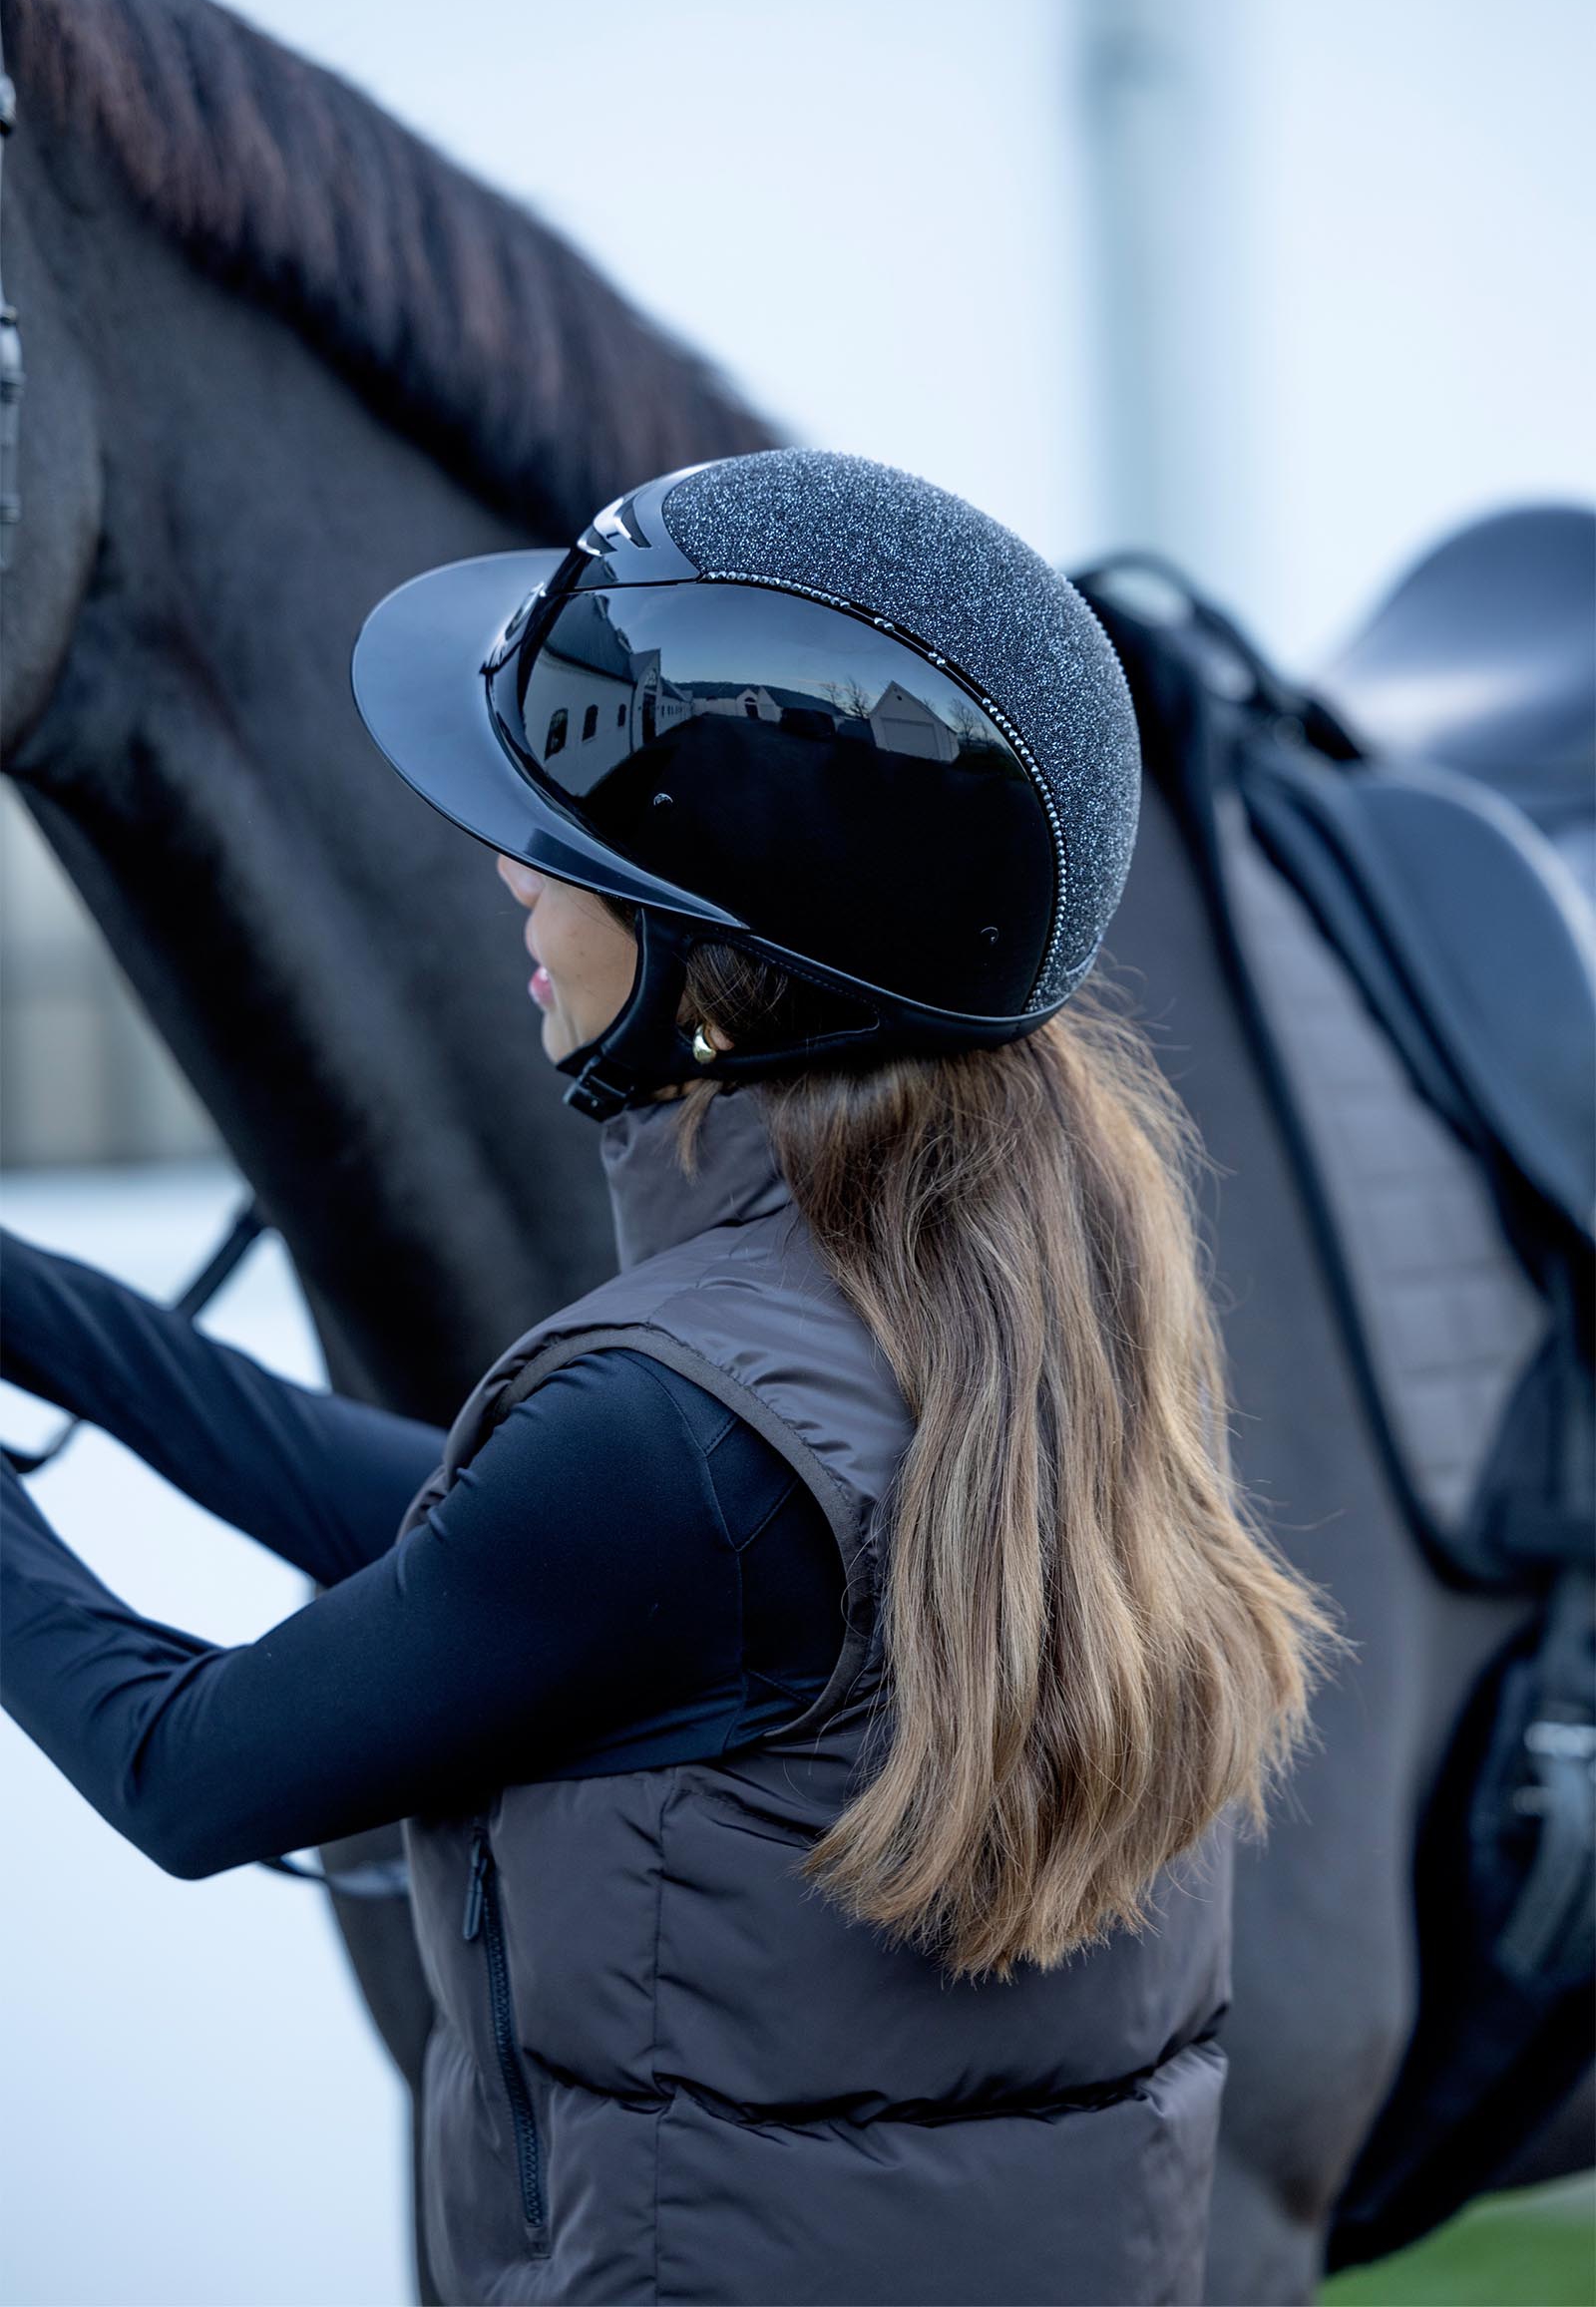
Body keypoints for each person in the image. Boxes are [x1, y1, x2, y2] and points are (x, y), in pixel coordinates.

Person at [2, 447, 1333, 2306]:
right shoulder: (1007, 1303)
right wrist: (34, 1305)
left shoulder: (668, 1442)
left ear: (719, 960)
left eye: (561, 851)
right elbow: (476, 1542)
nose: (506, 882)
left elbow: (186, 1772)